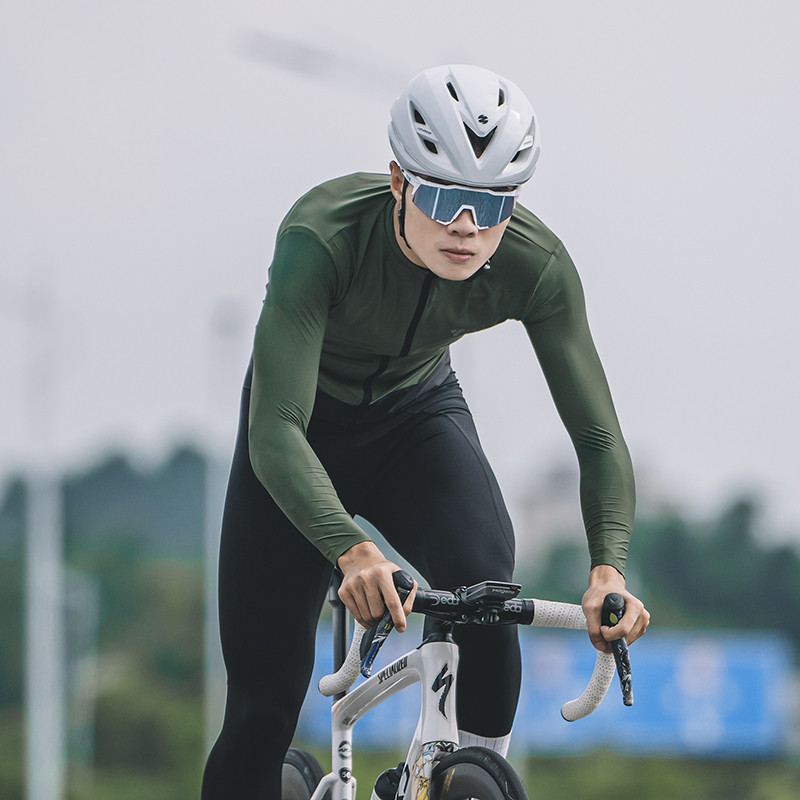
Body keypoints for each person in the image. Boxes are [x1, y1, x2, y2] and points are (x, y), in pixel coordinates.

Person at [200, 64, 650, 798]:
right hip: (300, 431)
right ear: (398, 183)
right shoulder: (322, 236)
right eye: (442, 198)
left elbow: (597, 438)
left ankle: (455, 778)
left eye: (490, 203)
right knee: (261, 707)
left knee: (487, 595)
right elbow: (275, 429)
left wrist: (608, 567)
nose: (467, 227)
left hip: (416, 418)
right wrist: (349, 548)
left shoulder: (535, 265)